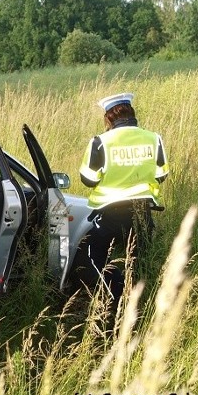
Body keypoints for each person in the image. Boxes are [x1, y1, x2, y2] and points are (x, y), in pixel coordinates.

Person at [71, 92, 169, 307]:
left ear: (108, 118)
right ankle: (139, 300)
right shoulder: (154, 138)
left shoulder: (100, 142)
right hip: (141, 211)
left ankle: (115, 293)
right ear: (132, 114)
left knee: (92, 255)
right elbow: (162, 174)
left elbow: (88, 179)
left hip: (110, 213)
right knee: (138, 260)